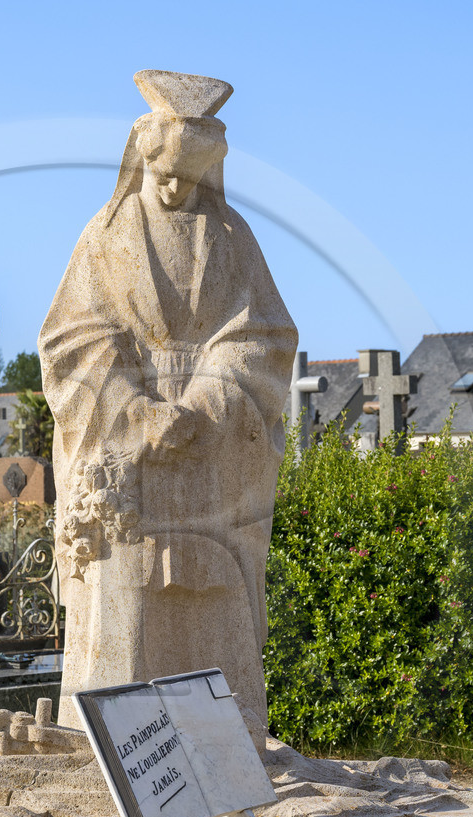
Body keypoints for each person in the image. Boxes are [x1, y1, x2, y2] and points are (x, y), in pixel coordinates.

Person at [39, 70, 298, 742]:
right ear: (143, 159)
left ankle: (223, 751)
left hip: (211, 454)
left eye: (192, 177)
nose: (178, 189)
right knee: (127, 603)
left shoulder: (235, 239)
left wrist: (209, 403)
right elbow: (70, 340)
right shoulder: (105, 235)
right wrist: (133, 408)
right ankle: (118, 756)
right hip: (131, 456)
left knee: (209, 597)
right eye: (167, 175)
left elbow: (264, 335)